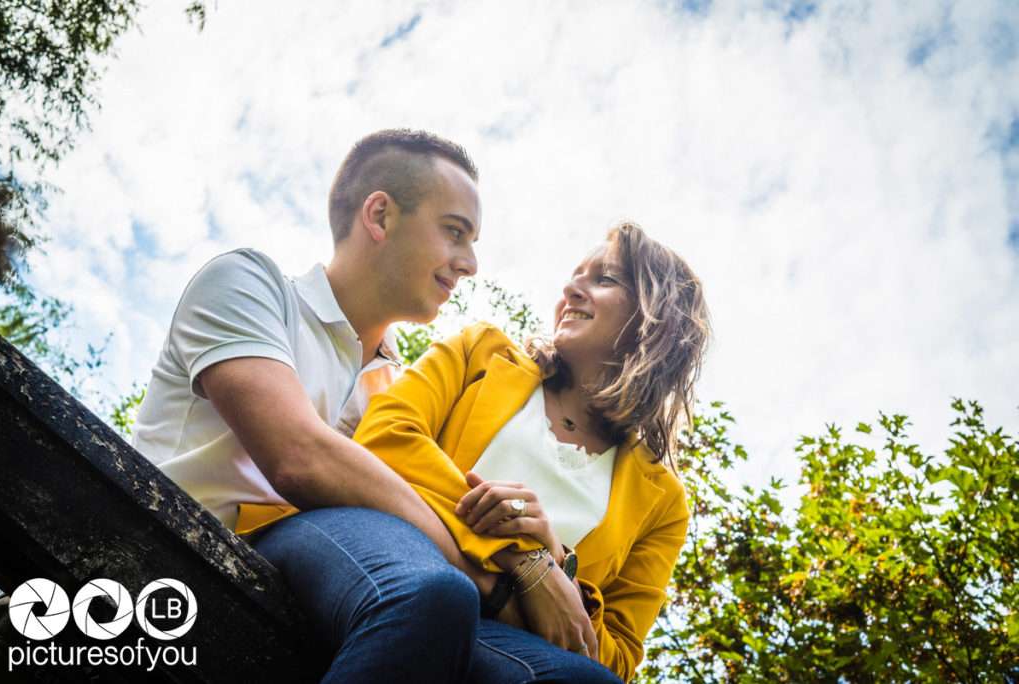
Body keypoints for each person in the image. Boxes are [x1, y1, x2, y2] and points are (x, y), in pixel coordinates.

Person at [132, 129, 516, 682]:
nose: (470, 263)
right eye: (455, 232)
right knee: (437, 594)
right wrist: (483, 579)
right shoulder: (249, 285)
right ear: (379, 216)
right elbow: (298, 456)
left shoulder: (400, 391)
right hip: (173, 568)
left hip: (326, 604)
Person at [352, 221, 711, 683]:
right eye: (576, 275)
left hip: (501, 635)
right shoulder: (480, 352)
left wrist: (559, 563)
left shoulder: (662, 502)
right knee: (438, 597)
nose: (571, 288)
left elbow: (616, 657)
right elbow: (385, 437)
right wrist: (525, 557)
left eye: (604, 279)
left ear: (656, 320)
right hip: (396, 556)